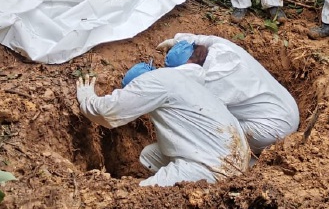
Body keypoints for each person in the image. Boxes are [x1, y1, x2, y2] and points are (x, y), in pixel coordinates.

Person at [76, 62, 250, 187]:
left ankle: (190, 186)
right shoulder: (176, 76)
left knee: (142, 195)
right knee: (149, 156)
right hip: (237, 154)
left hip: (214, 167)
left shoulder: (148, 85)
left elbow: (108, 112)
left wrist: (87, 99)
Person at [158, 35, 300, 154]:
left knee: (207, 133)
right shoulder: (221, 46)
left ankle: (244, 163)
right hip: (290, 108)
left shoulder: (211, 82)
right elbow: (201, 39)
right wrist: (177, 40)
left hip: (270, 131)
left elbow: (198, 117)